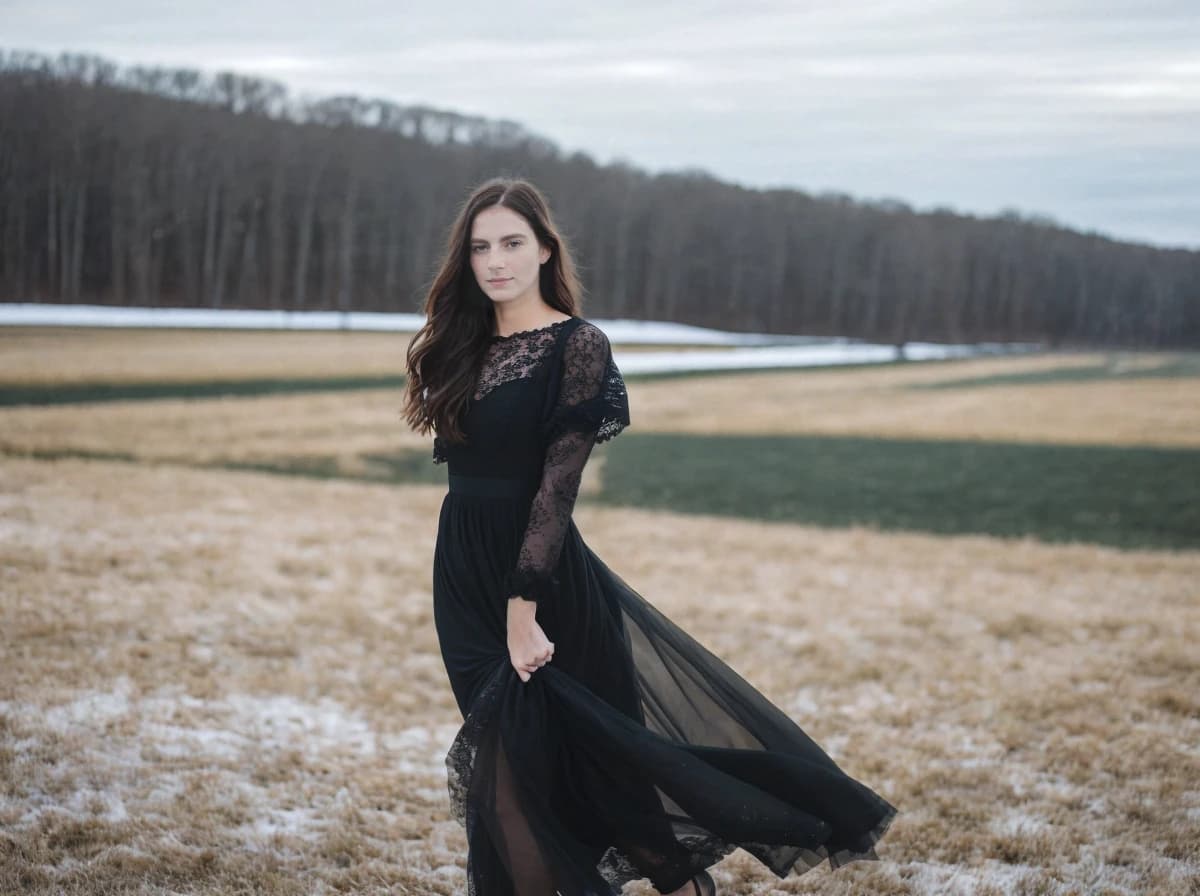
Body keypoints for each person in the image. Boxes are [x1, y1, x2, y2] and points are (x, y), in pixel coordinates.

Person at [403, 176, 897, 896]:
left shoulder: (578, 346)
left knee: (566, 781)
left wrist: (523, 610)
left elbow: (557, 489)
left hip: (540, 583)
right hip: (462, 575)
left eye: (512, 243)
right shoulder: (460, 346)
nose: (495, 261)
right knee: (522, 774)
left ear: (545, 249)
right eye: (480, 247)